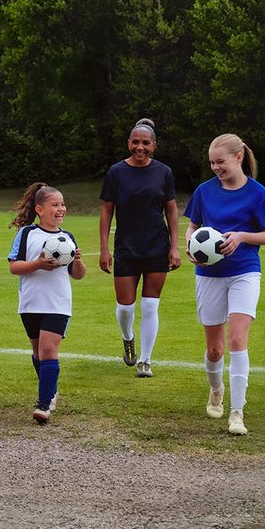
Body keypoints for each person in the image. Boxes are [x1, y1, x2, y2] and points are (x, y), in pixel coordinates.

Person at [182, 133, 265, 437]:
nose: (215, 167)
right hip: (209, 276)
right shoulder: (203, 191)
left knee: (238, 340)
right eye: (212, 162)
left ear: (238, 157)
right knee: (215, 349)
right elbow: (192, 227)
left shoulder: (258, 193)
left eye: (220, 161)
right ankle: (216, 390)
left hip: (245, 272)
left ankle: (237, 413)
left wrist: (240, 236)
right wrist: (190, 246)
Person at [98, 118, 181, 379]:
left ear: (154, 145)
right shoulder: (116, 172)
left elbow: (171, 209)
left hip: (157, 246)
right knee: (125, 309)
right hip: (126, 248)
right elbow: (106, 211)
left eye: (146, 143)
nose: (140, 147)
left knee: (150, 307)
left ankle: (145, 360)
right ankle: (128, 337)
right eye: (135, 142)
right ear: (128, 143)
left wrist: (175, 247)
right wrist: (103, 248)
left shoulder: (164, 172)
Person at [7, 183, 86, 425]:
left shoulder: (67, 238)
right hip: (30, 303)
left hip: (58, 303)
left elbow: (78, 274)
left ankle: (43, 405)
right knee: (38, 354)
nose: (61, 208)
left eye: (62, 204)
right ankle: (51, 390)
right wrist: (38, 264)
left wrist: (78, 261)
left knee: (49, 351)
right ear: (40, 209)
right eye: (55, 204)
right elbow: (14, 267)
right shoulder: (28, 234)